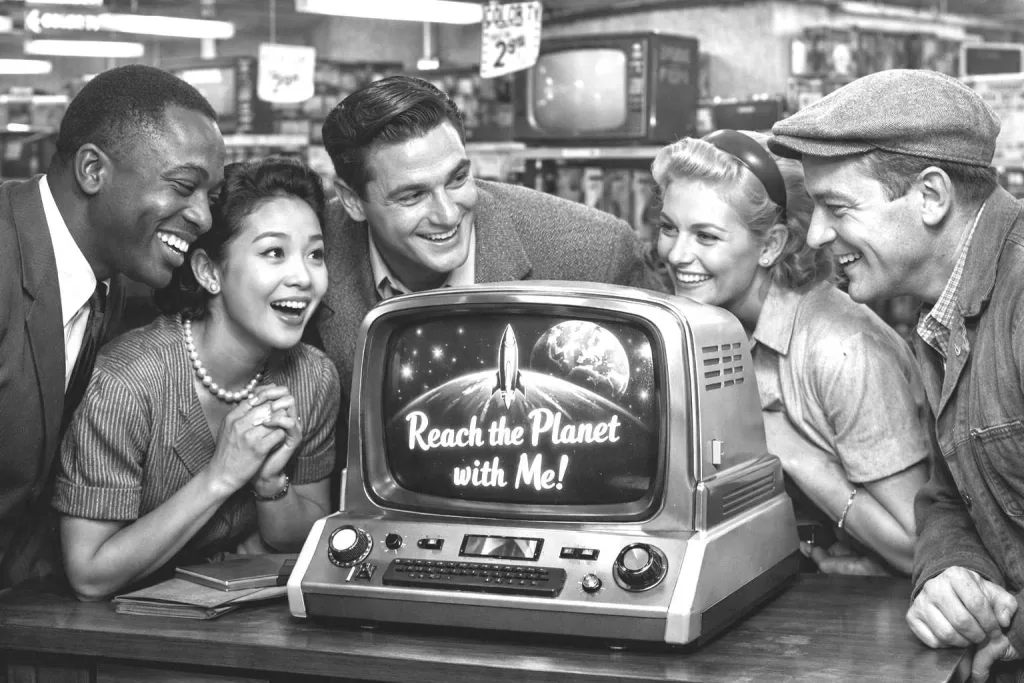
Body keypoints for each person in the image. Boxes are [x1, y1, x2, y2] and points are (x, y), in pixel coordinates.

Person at [769, 68, 1023, 683]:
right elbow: (948, 496)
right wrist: (949, 573)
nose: (817, 233)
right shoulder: (947, 311)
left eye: (837, 207)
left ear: (931, 195)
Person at [52, 157, 338, 601]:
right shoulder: (126, 383)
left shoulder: (312, 377)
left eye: (315, 254)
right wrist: (221, 476)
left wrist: (270, 486)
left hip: (243, 625)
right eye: (274, 253)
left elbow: (309, 540)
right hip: (105, 628)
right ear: (209, 272)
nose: (303, 277)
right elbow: (89, 574)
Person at [653, 129, 930, 576]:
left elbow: (921, 547)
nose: (676, 254)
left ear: (770, 246)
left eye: (705, 236)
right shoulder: (700, 330)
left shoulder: (843, 350)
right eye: (669, 228)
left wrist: (793, 453)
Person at [0, 64, 226, 589]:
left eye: (210, 196)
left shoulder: (114, 276)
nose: (204, 217)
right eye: (183, 186)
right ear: (92, 170)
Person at [315, 75, 667, 395]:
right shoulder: (310, 247)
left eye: (457, 179)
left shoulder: (595, 252)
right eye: (412, 196)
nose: (447, 215)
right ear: (352, 200)